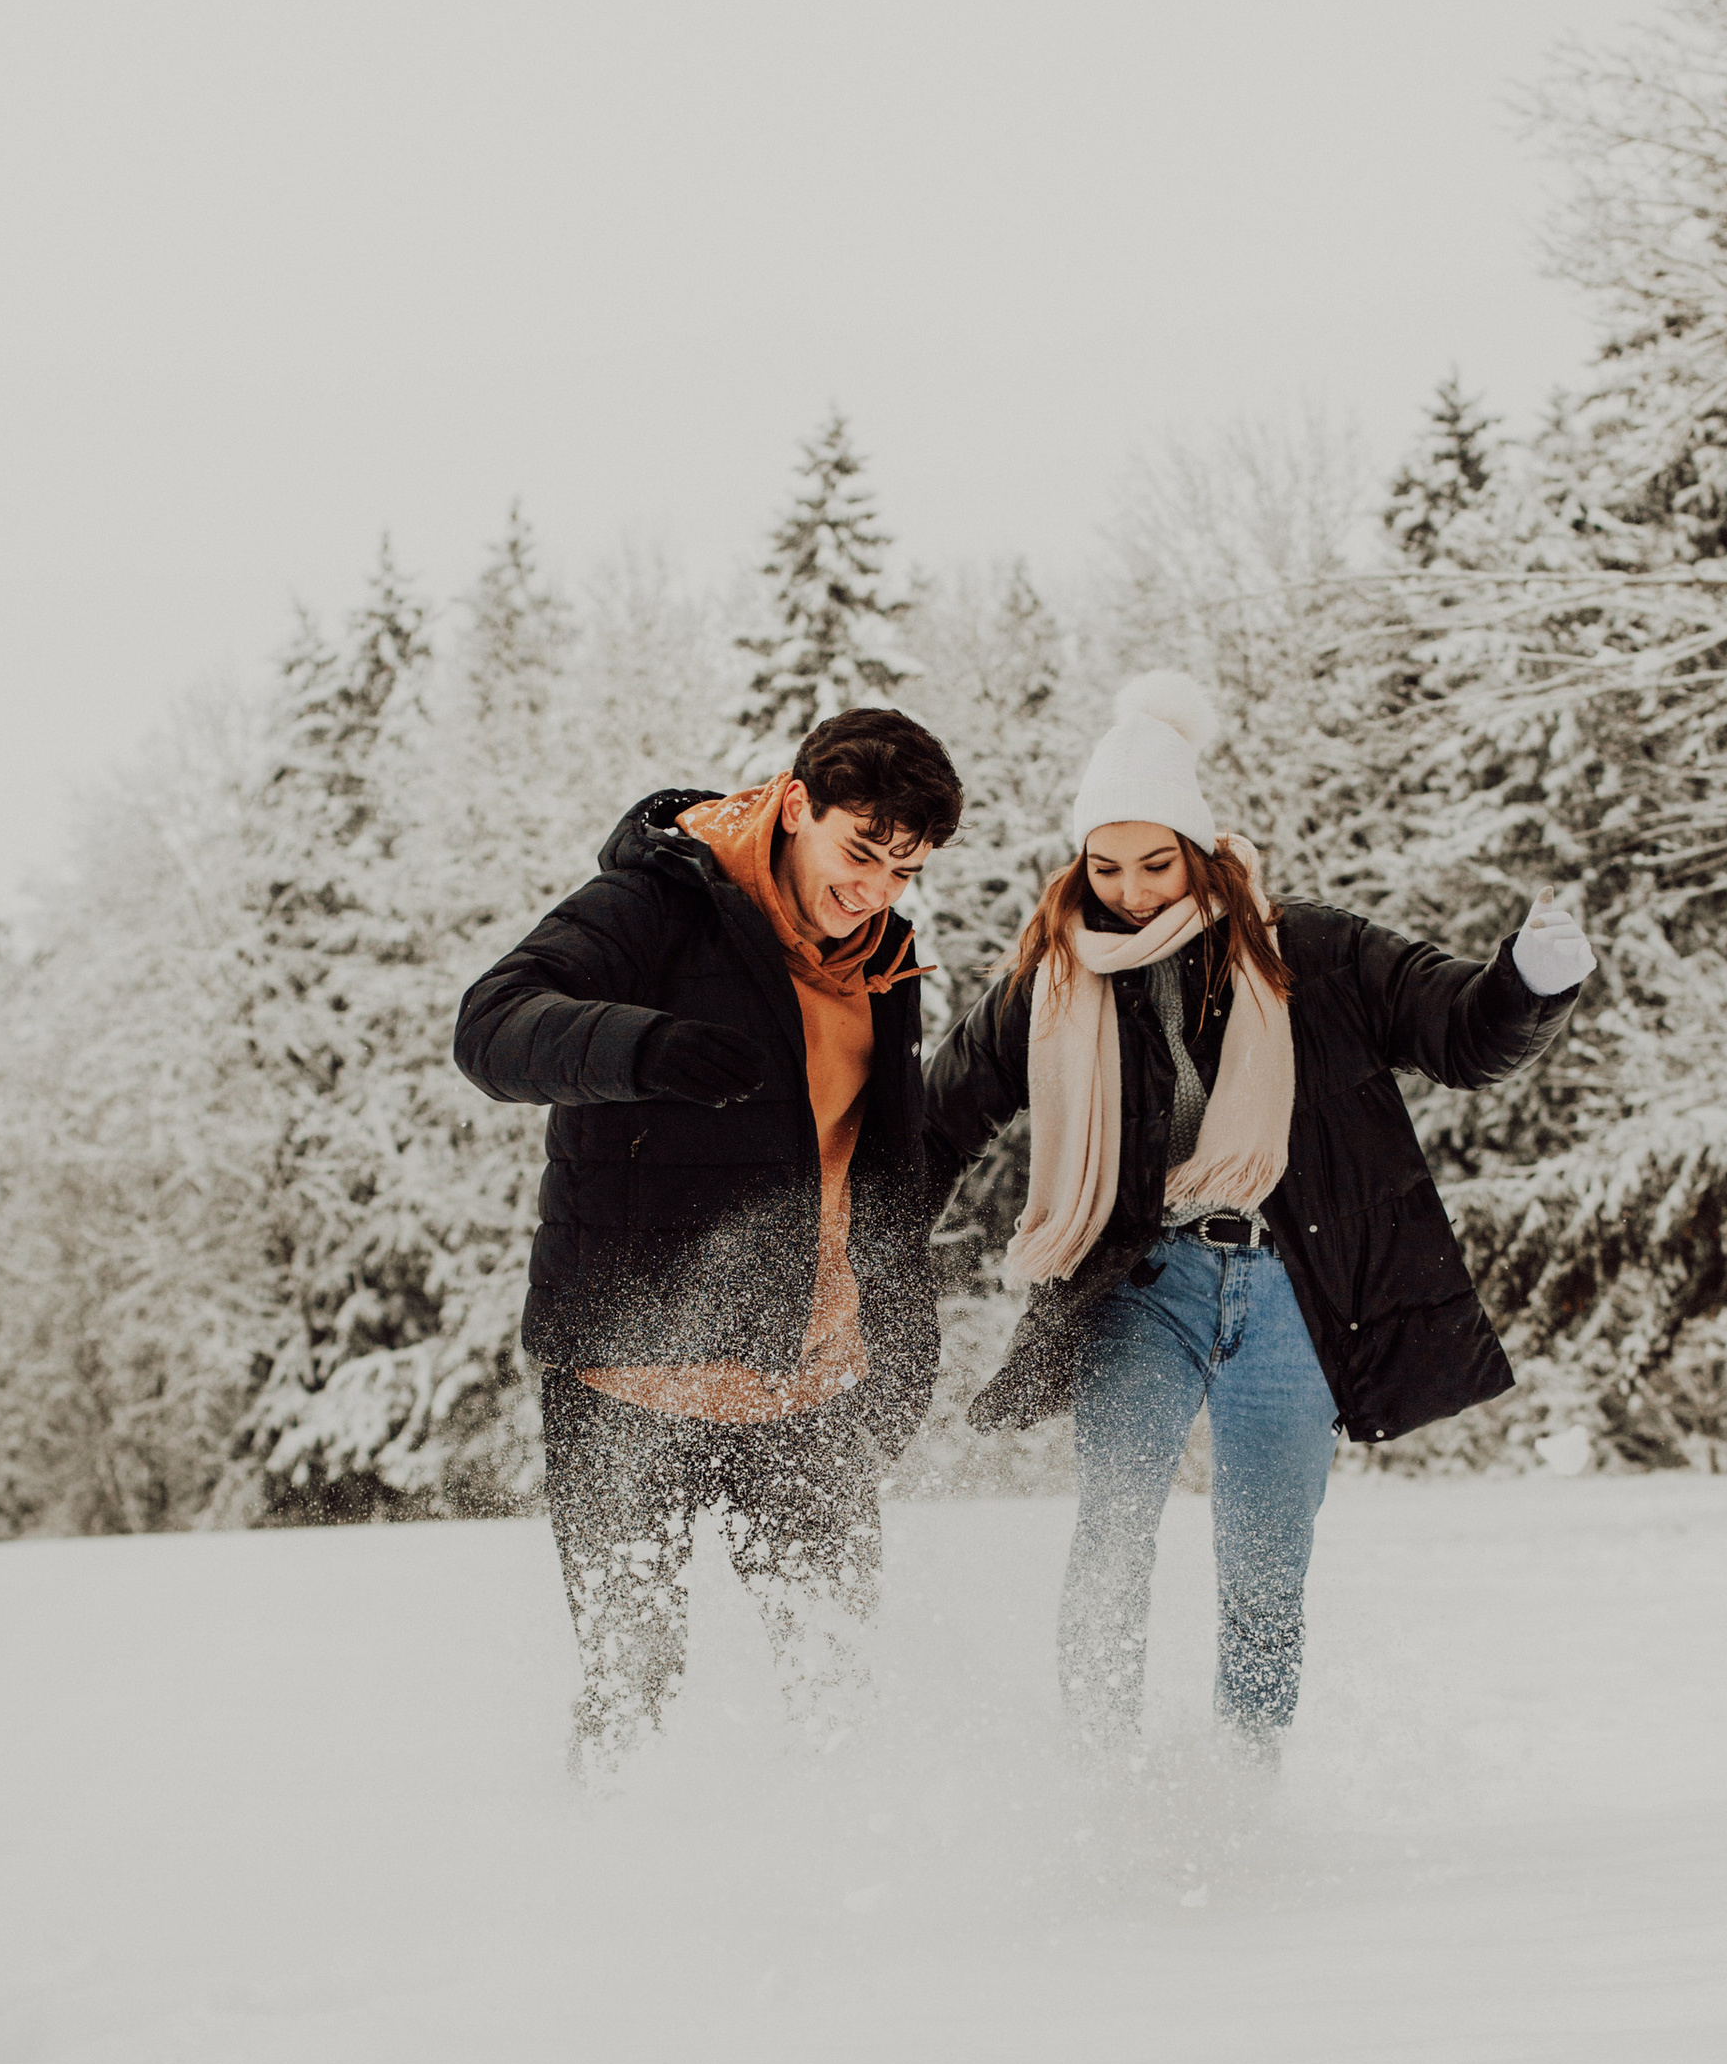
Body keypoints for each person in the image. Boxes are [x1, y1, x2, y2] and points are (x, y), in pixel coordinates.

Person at [921, 671, 1593, 1760]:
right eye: (1105, 865)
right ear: (1077, 863)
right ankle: (1095, 1772)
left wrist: (1528, 983)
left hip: (1294, 1295)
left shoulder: (1308, 953)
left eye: (1155, 862)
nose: (1131, 891)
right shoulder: (1050, 983)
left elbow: (1460, 1035)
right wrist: (844, 1242)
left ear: (1199, 851)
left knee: (1266, 1560)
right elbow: (933, 1128)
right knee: (1111, 1538)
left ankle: (1248, 1778)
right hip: (1140, 1292)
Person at [454, 705, 963, 1777]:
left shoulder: (887, 962)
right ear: (794, 805)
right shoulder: (656, 903)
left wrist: (903, 1341)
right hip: (627, 1384)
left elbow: (881, 1172)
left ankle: (844, 1904)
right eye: (858, 850)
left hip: (807, 1388)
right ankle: (607, 1887)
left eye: (902, 868)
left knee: (834, 1673)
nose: (872, 888)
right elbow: (491, 1025)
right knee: (631, 1678)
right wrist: (642, 1046)